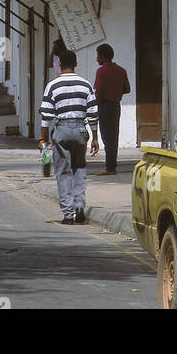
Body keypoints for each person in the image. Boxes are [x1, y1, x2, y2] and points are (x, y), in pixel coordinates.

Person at [39, 49, 98, 225]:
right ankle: (79, 208)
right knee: (79, 169)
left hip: (62, 130)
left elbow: (46, 116)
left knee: (63, 172)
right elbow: (93, 113)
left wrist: (42, 139)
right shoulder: (85, 84)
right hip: (80, 129)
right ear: (76, 64)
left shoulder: (52, 86)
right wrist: (95, 138)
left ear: (60, 64)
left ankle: (68, 214)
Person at [93, 43, 131, 174]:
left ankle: (110, 168)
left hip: (104, 105)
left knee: (106, 137)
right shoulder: (121, 70)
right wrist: (116, 91)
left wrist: (94, 106)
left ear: (103, 56)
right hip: (115, 105)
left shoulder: (101, 71)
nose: (97, 58)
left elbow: (98, 91)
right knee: (113, 137)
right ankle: (111, 166)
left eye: (98, 55)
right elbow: (127, 89)